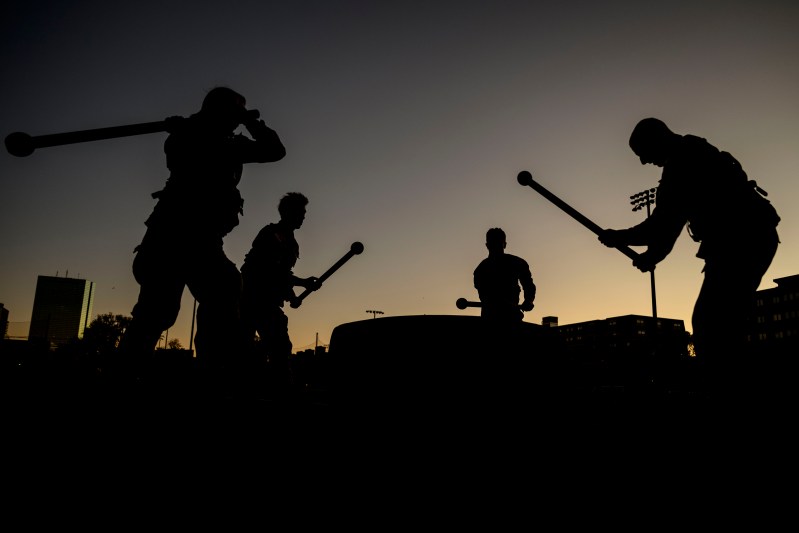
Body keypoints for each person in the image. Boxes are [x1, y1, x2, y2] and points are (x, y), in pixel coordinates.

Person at [598, 117, 780, 404]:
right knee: (721, 322)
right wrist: (652, 256)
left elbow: (661, 226)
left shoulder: (681, 165)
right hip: (749, 240)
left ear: (656, 139)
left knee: (710, 322)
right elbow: (668, 229)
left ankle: (731, 394)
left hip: (740, 242)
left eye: (643, 153)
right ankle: (734, 389)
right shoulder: (694, 151)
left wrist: (618, 237)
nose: (645, 162)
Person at [117, 86, 286, 393]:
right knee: (159, 311)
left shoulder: (230, 143)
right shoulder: (188, 136)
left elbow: (274, 151)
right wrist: (193, 128)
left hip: (203, 240)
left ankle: (211, 370)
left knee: (223, 291)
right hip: (171, 237)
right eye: (234, 113)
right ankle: (127, 375)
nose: (236, 122)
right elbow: (176, 154)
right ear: (218, 110)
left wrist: (251, 122)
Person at [239, 192, 318, 401]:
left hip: (269, 301)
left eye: (304, 213)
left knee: (278, 346)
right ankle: (260, 390)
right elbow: (269, 270)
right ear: (289, 212)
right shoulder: (270, 234)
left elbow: (283, 275)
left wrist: (292, 296)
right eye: (301, 212)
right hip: (251, 299)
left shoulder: (292, 243)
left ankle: (276, 390)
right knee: (256, 347)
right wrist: (302, 283)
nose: (304, 216)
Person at [474, 228, 537, 323]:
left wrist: (529, 300)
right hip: (493, 318)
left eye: (497, 244)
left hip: (507, 316)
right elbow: (528, 285)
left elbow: (529, 286)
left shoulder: (481, 269)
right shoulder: (481, 269)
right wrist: (528, 300)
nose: (495, 248)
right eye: (493, 244)